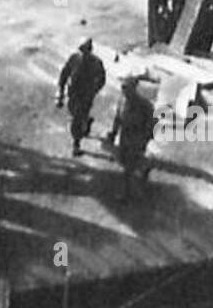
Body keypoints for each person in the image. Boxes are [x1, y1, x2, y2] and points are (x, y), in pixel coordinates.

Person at [105, 69, 159, 199]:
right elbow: (118, 118)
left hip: (138, 137)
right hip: (125, 135)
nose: (124, 91)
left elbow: (153, 122)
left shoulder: (144, 105)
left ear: (134, 88)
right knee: (124, 161)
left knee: (128, 167)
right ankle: (144, 168)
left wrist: (147, 137)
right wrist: (113, 133)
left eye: (127, 88)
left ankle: (126, 193)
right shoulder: (122, 101)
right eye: (123, 88)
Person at [56, 37, 106, 157]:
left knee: (77, 119)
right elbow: (64, 74)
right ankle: (86, 122)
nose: (84, 53)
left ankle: (76, 144)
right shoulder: (74, 59)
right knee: (74, 113)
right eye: (82, 50)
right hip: (73, 93)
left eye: (86, 51)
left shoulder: (96, 63)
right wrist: (61, 93)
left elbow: (102, 79)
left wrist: (94, 90)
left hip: (86, 95)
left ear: (90, 51)